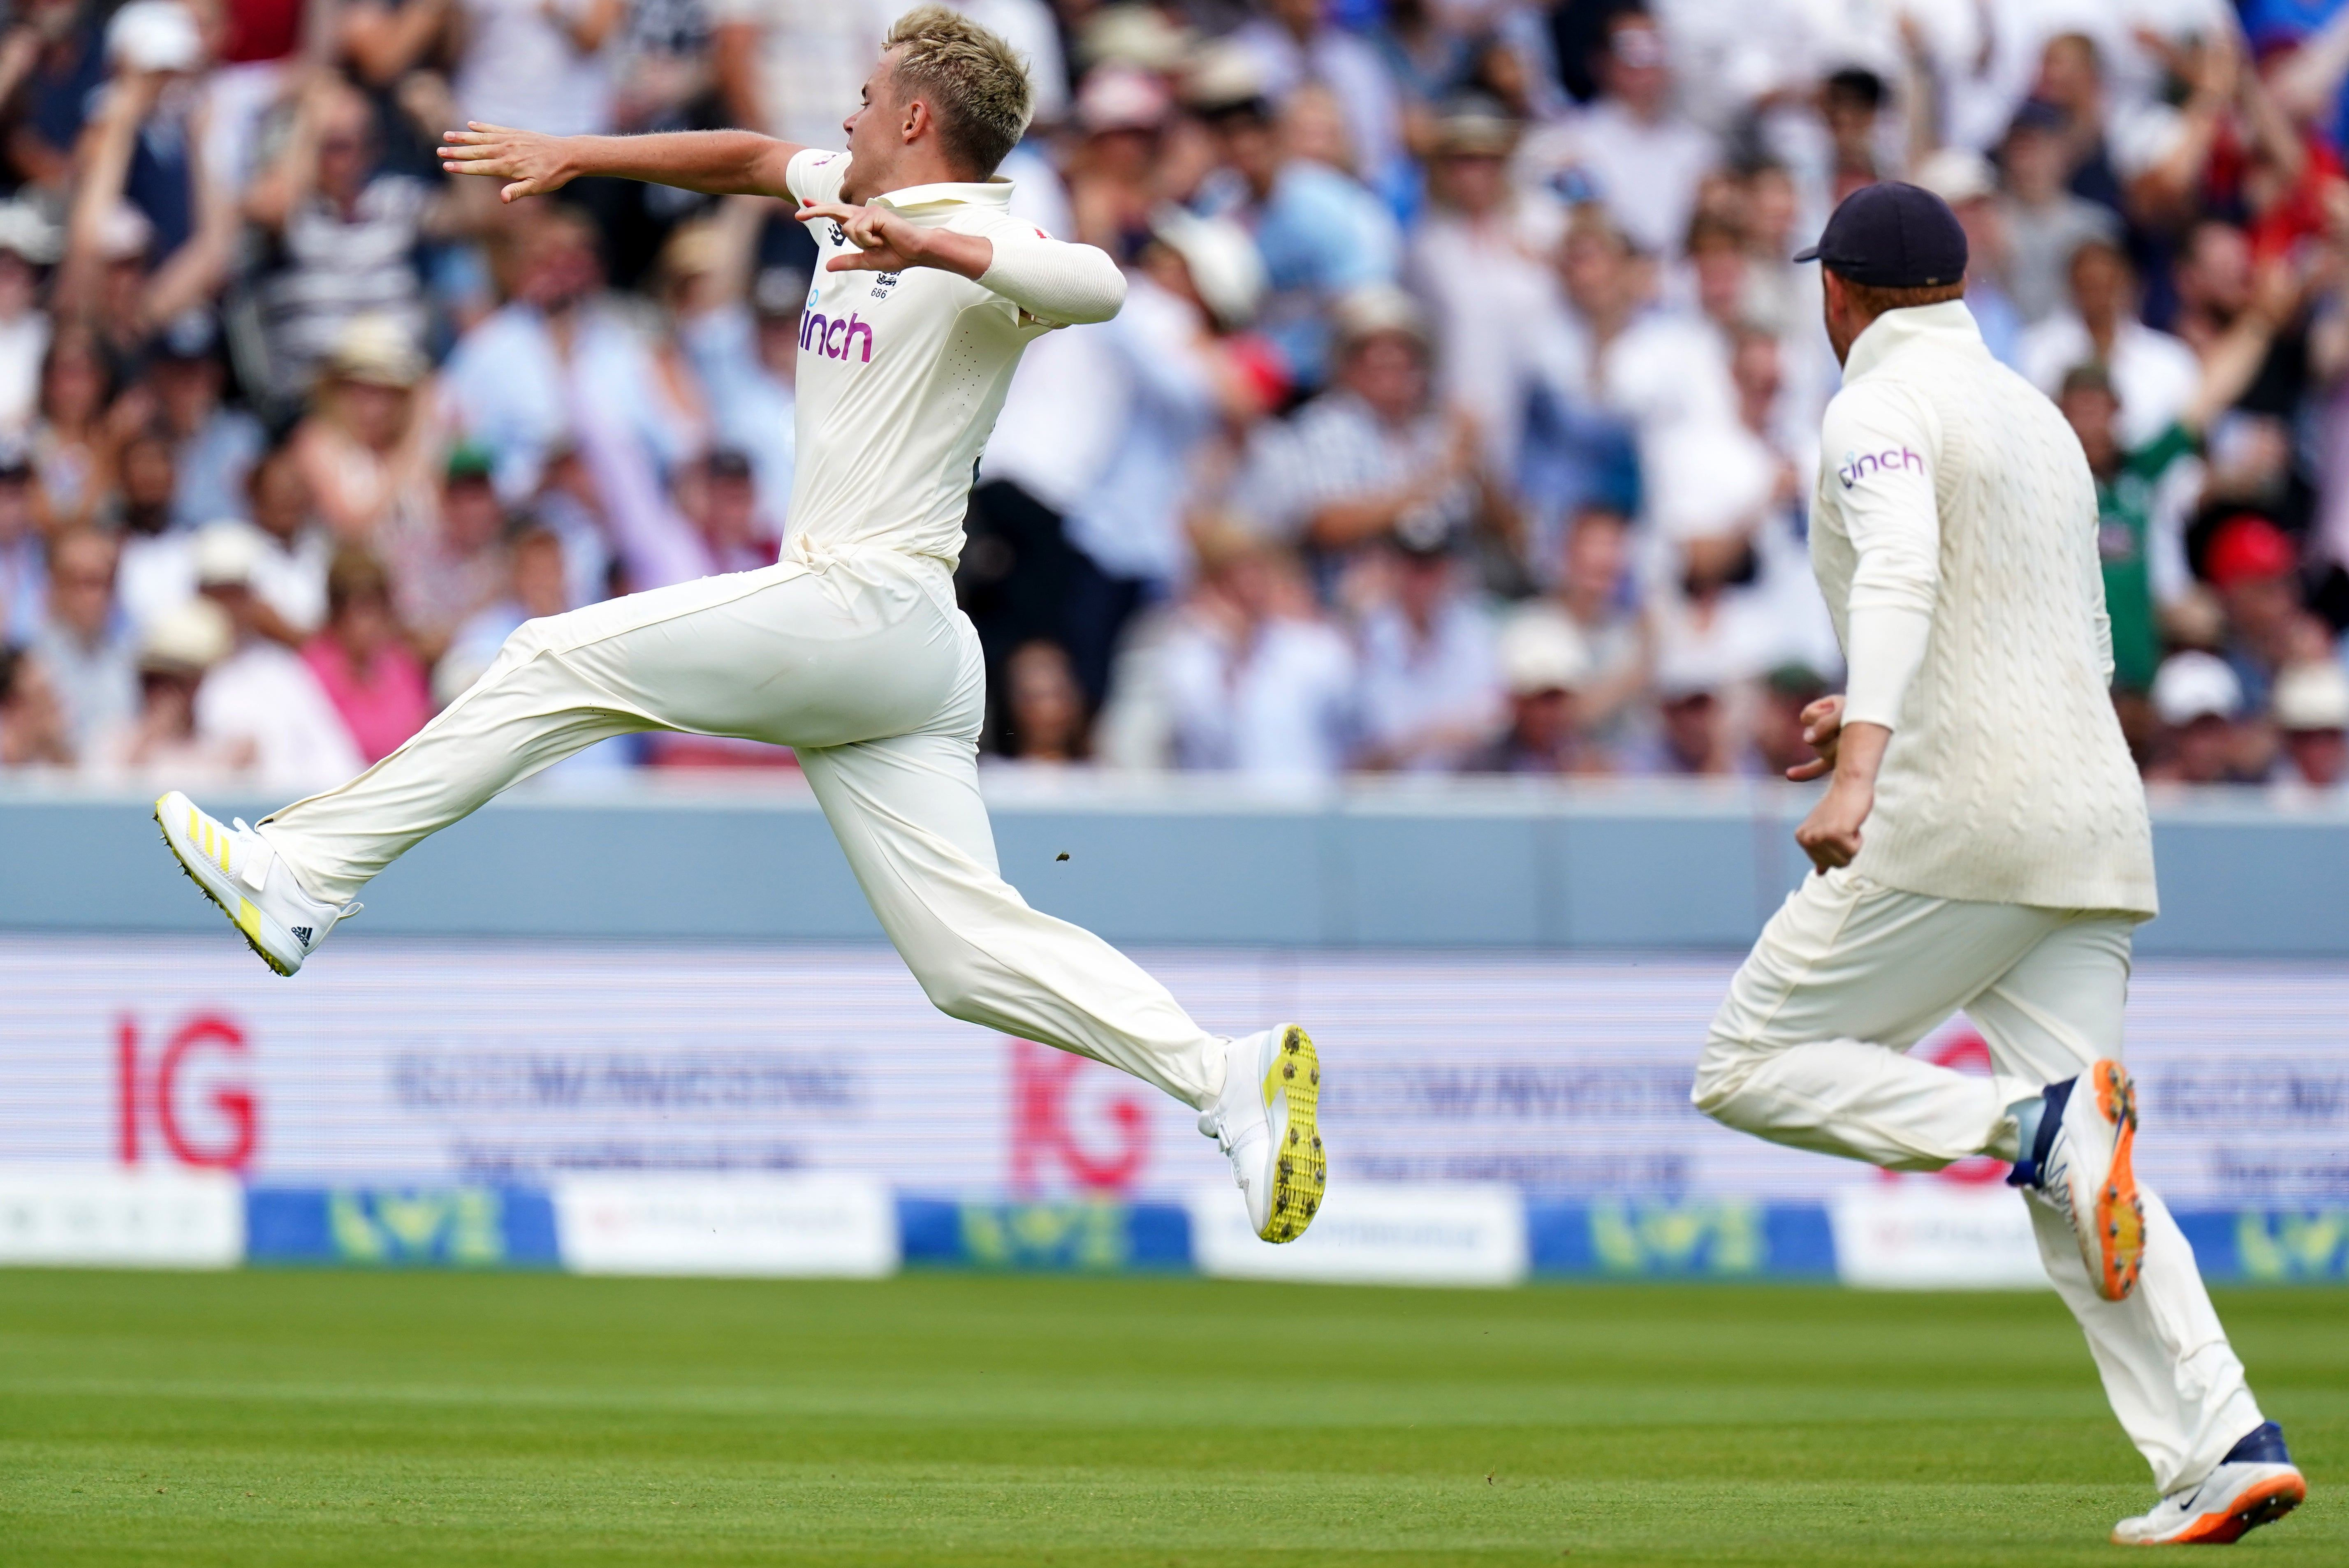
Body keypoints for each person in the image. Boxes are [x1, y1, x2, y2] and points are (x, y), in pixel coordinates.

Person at [153, 5, 1324, 1250]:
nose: (847, 115)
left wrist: (943, 258)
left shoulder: (977, 227)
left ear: (919, 121)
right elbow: (751, 158)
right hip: (901, 652)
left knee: (549, 653)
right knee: (965, 960)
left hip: (865, 603)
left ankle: (304, 878)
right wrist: (577, 154)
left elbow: (1097, 282)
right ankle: (1224, 1077)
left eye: (870, 99)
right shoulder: (844, 189)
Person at [1689, 183, 2306, 1547]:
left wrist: (1864, 758)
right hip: (2091, 817)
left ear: (1836, 294)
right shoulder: (2038, 417)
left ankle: (2020, 1130)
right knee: (2099, 1188)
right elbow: (2059, 632)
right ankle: (2224, 1442)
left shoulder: (1871, 407)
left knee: (1745, 1067)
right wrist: (1861, 703)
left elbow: (1904, 572)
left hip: (1956, 816)